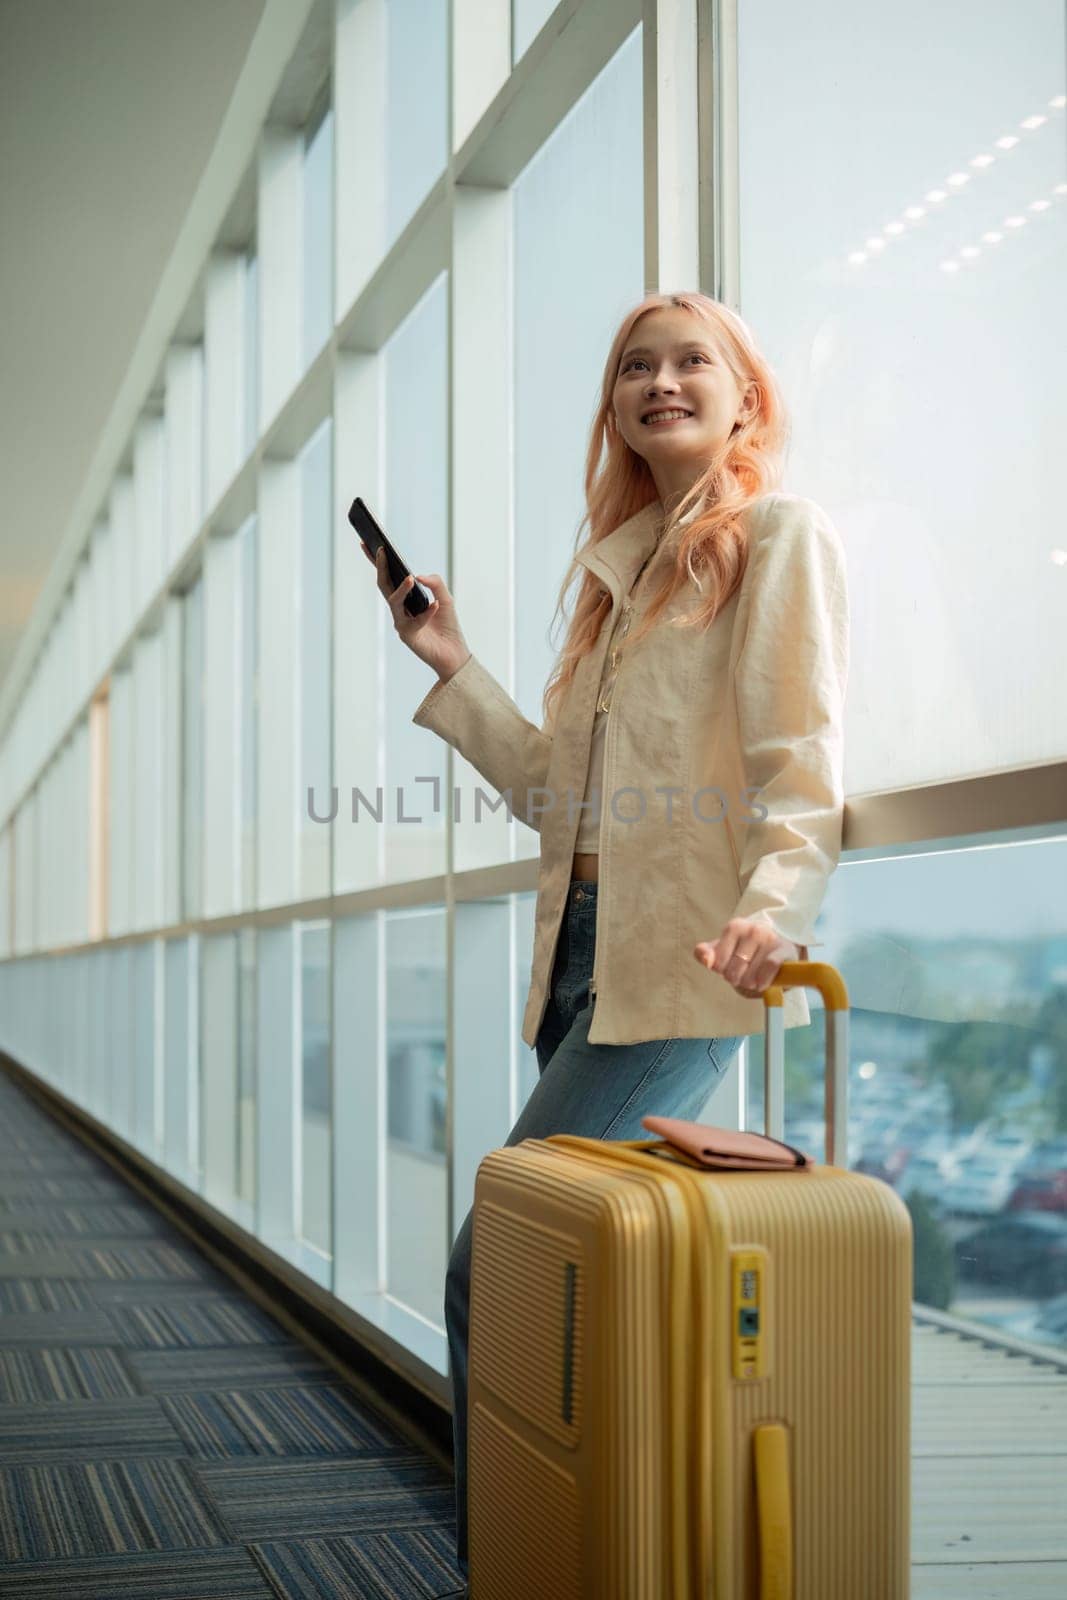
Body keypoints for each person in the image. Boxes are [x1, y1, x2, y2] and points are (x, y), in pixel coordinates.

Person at [359, 289, 849, 1591]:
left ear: (745, 396)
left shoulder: (776, 540)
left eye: (695, 360)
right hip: (576, 962)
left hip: (680, 967)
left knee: (498, 1267)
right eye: (638, 365)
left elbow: (804, 767)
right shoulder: (616, 587)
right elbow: (549, 794)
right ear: (617, 407)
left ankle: (505, 1565)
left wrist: (772, 911)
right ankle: (590, 1544)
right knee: (571, 1284)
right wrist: (447, 659)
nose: (663, 380)